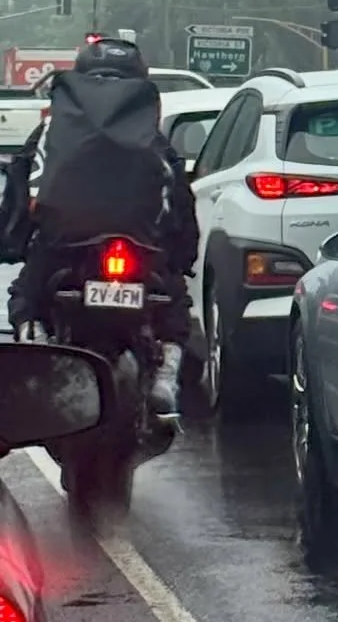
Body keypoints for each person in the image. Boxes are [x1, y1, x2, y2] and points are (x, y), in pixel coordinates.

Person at [0, 37, 197, 420]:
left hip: (63, 247)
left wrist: (13, 241)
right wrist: (180, 255)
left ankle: (34, 345)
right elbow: (179, 206)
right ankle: (166, 377)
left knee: (27, 297)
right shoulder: (154, 143)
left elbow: (21, 198)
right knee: (174, 306)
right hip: (143, 250)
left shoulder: (48, 135)